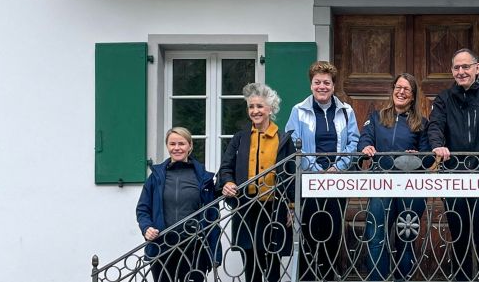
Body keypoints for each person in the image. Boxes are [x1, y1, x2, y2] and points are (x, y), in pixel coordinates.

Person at [427, 48, 479, 282]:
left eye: (466, 67)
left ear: (477, 68)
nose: (461, 72)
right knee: (459, 237)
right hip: (454, 176)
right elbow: (435, 126)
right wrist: (437, 145)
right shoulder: (444, 98)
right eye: (456, 68)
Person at [285, 61, 360, 281]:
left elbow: (353, 143)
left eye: (326, 82)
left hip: (337, 183)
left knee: (332, 236)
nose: (322, 87)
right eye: (317, 82)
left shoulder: (346, 111)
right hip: (309, 184)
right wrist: (317, 171)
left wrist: (337, 168)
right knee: (308, 237)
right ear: (311, 85)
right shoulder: (298, 111)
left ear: (333, 86)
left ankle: (328, 277)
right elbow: (294, 144)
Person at [218, 83, 296, 282]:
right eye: (251, 107)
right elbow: (226, 168)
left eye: (260, 106)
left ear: (271, 108)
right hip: (247, 209)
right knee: (251, 267)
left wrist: (291, 206)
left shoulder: (283, 139)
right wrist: (227, 182)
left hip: (274, 210)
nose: (255, 111)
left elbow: (291, 175)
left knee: (272, 267)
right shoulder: (240, 138)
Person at [358, 73, 431, 281]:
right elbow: (364, 140)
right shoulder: (376, 118)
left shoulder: (421, 123)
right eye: (398, 87)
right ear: (392, 90)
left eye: (406, 89)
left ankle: (402, 279)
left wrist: (418, 157)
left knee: (406, 238)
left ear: (413, 95)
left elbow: (428, 157)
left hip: (411, 187)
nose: (401, 92)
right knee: (376, 237)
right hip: (381, 184)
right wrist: (366, 147)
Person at [136, 127, 221, 282]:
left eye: (181, 143)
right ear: (167, 146)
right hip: (162, 246)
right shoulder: (155, 177)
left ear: (190, 146)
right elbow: (143, 208)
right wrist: (146, 228)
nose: (177, 148)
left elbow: (213, 217)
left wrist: (215, 253)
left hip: (195, 247)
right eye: (172, 144)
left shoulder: (204, 179)